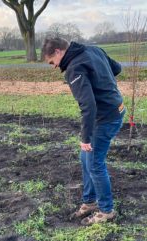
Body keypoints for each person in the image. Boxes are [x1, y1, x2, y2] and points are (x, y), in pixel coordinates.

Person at [42, 37, 125, 225]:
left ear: (58, 52)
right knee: (85, 158)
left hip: (105, 118)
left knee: (95, 163)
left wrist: (85, 137)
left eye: (51, 62)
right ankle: (90, 202)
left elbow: (88, 105)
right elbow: (117, 68)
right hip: (116, 109)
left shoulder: (74, 68)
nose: (54, 66)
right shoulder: (93, 50)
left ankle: (106, 211)